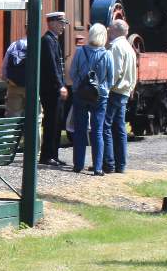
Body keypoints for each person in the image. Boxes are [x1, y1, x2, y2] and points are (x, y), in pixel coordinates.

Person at [67, 22, 114, 176]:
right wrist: (103, 89)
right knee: (97, 131)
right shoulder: (107, 54)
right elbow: (111, 79)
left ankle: (78, 165)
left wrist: (78, 86)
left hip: (81, 95)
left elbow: (72, 72)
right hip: (100, 97)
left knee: (80, 130)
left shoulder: (80, 52)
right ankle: (98, 167)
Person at [103, 19, 138, 175]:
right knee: (120, 129)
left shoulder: (116, 47)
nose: (108, 31)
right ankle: (121, 164)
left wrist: (105, 88)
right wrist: (131, 88)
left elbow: (115, 72)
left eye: (110, 29)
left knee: (106, 127)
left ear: (115, 30)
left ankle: (109, 164)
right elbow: (134, 73)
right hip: (124, 92)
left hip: (114, 92)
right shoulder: (129, 48)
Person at [38, 12, 68, 166]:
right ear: (52, 23)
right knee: (51, 122)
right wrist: (60, 85)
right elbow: (52, 67)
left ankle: (54, 154)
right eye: (61, 23)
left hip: (55, 89)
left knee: (57, 123)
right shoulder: (47, 41)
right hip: (51, 90)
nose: (63, 26)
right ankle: (47, 155)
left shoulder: (54, 41)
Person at [2, 36, 28, 118]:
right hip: (32, 87)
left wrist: (7, 79)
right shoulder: (39, 44)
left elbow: (5, 65)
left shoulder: (14, 45)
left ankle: (11, 130)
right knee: (35, 117)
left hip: (14, 86)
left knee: (12, 115)